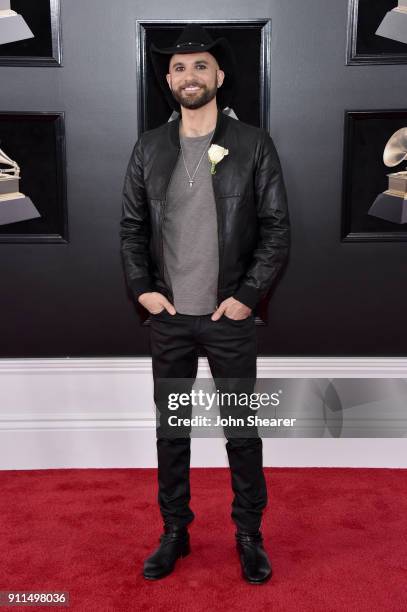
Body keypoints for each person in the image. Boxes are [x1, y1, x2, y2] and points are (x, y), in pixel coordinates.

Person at [119, 23, 290, 584]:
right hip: (169, 320)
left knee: (241, 432)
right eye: (177, 68)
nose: (188, 76)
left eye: (199, 66)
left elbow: (275, 230)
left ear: (219, 75)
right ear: (168, 81)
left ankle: (248, 534)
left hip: (227, 319)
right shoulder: (148, 148)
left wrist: (245, 298)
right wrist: (144, 290)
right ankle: (175, 531)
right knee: (173, 433)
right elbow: (131, 228)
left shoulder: (253, 144)